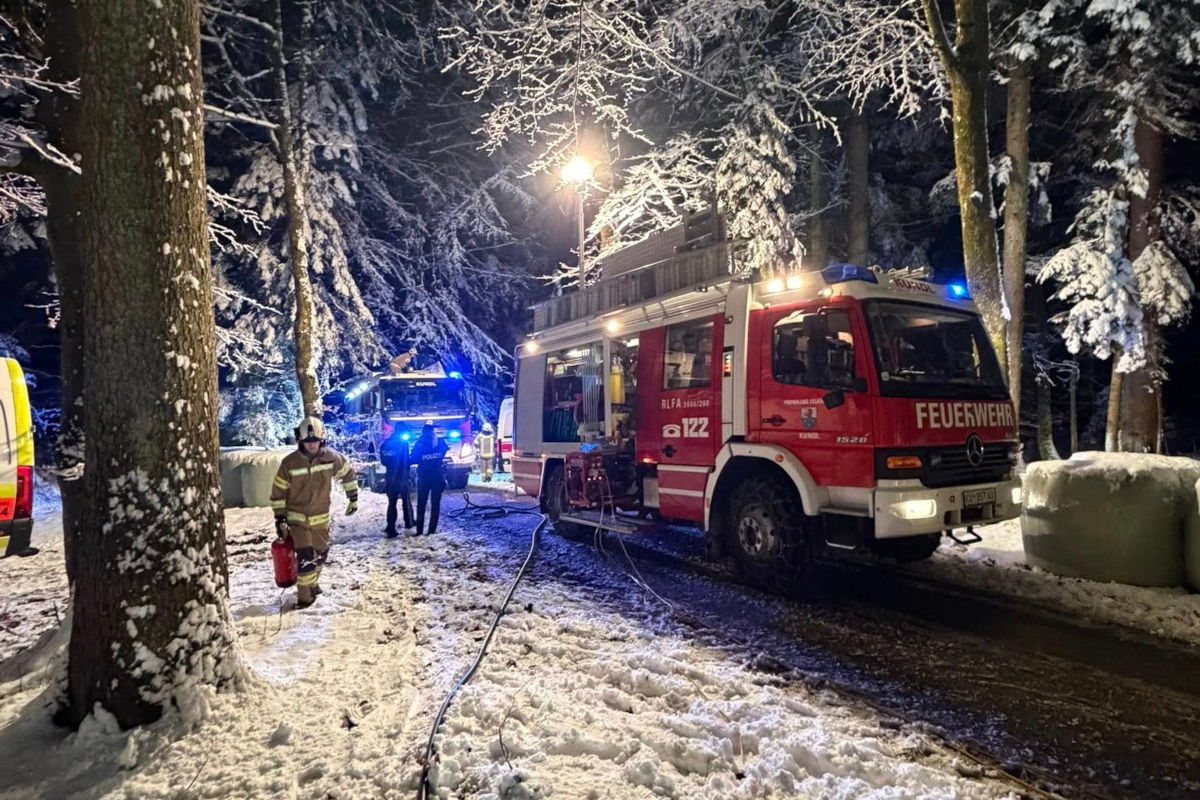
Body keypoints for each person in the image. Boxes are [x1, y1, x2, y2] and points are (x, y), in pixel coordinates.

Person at [270, 416, 359, 608]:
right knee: (306, 558)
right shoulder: (290, 463)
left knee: (321, 553)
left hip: (321, 518)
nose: (312, 445)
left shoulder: (331, 457)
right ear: (300, 440)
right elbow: (278, 492)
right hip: (297, 519)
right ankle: (305, 598)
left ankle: (311, 584)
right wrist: (280, 517)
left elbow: (347, 473)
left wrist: (353, 497)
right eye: (308, 441)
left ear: (322, 440)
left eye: (315, 441)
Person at [409, 421, 448, 535]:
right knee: (435, 504)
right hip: (438, 477)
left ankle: (419, 531)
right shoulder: (440, 442)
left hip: (424, 477)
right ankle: (432, 530)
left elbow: (413, 459)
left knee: (421, 504)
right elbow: (444, 452)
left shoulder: (419, 443)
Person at [379, 426, 414, 537]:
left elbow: (383, 461)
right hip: (402, 476)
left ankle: (390, 527)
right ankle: (409, 522)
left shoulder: (385, 444)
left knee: (392, 502)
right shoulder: (403, 444)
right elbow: (406, 461)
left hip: (390, 476)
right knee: (406, 499)